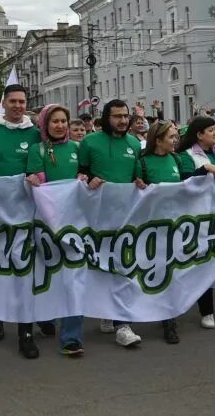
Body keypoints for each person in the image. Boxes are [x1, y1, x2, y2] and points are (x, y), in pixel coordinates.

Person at [0, 84, 45, 354]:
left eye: (22, 101)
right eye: (12, 101)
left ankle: (26, 332)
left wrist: (36, 178)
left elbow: (40, 169)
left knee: (24, 269)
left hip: (26, 210)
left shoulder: (35, 132)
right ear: (3, 103)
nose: (17, 106)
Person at [78, 99, 144, 347]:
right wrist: (89, 180)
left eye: (126, 116)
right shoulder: (88, 142)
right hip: (96, 218)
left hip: (125, 218)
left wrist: (140, 183)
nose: (123, 121)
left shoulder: (134, 143)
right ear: (106, 118)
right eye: (117, 116)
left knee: (123, 267)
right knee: (101, 268)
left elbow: (138, 176)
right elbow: (80, 174)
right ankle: (107, 313)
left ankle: (122, 325)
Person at [25, 104, 86, 357]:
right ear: (44, 125)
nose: (60, 125)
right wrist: (34, 180)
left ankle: (72, 337)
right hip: (46, 224)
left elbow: (86, 172)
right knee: (48, 274)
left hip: (75, 224)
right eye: (55, 121)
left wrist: (84, 177)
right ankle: (46, 317)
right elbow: (37, 181)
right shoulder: (37, 150)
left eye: (64, 121)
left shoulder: (77, 148)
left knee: (74, 279)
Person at [176, 117, 215, 329]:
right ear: (199, 134)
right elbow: (185, 181)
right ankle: (206, 311)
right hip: (200, 218)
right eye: (211, 130)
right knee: (204, 263)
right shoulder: (186, 155)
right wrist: (204, 170)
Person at [134, 120, 186, 345]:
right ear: (158, 139)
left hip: (174, 225)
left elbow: (188, 185)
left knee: (171, 272)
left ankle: (169, 319)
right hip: (150, 227)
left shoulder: (177, 159)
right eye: (172, 137)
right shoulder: (143, 163)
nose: (176, 140)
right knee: (153, 272)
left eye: (176, 136)